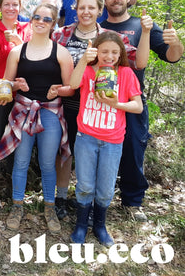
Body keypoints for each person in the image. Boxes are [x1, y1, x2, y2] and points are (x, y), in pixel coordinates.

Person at [51, 0, 148, 220]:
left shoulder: (109, 39)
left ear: (99, 10)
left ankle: (91, 203)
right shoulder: (60, 35)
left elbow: (139, 62)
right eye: (81, 7)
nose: (86, 12)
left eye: (91, 8)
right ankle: (62, 198)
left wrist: (146, 32)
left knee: (93, 154)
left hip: (99, 109)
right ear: (75, 9)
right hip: (64, 104)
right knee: (64, 153)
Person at [100, 0, 184, 221]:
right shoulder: (98, 27)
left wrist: (175, 43)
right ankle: (97, 199)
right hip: (102, 100)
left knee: (134, 150)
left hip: (133, 100)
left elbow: (172, 56)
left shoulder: (142, 25)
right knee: (99, 151)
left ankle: (132, 202)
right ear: (105, 1)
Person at [0, 3, 74, 233]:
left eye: (47, 19)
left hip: (50, 112)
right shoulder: (17, 52)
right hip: (22, 111)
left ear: (53, 24)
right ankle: (17, 206)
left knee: (48, 163)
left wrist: (57, 91)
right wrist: (14, 85)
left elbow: (71, 87)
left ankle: (49, 206)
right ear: (31, 19)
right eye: (37, 17)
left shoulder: (60, 52)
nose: (41, 21)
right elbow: (5, 85)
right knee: (20, 162)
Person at [69, 32, 143, 246]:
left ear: (120, 53)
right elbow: (73, 84)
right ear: (97, 52)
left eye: (114, 52)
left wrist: (116, 105)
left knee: (105, 189)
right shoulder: (89, 71)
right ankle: (81, 224)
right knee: (84, 185)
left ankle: (100, 225)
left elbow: (137, 106)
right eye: (104, 51)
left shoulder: (126, 74)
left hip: (112, 141)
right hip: (86, 138)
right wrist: (84, 59)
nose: (108, 56)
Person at [0, 0, 32, 210]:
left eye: (15, 4)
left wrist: (19, 44)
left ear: (20, 6)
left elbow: (36, 61)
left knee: (19, 140)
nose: (11, 8)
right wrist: (0, 87)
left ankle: (16, 185)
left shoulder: (28, 29)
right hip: (1, 94)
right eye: (6, 5)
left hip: (24, 96)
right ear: (0, 7)